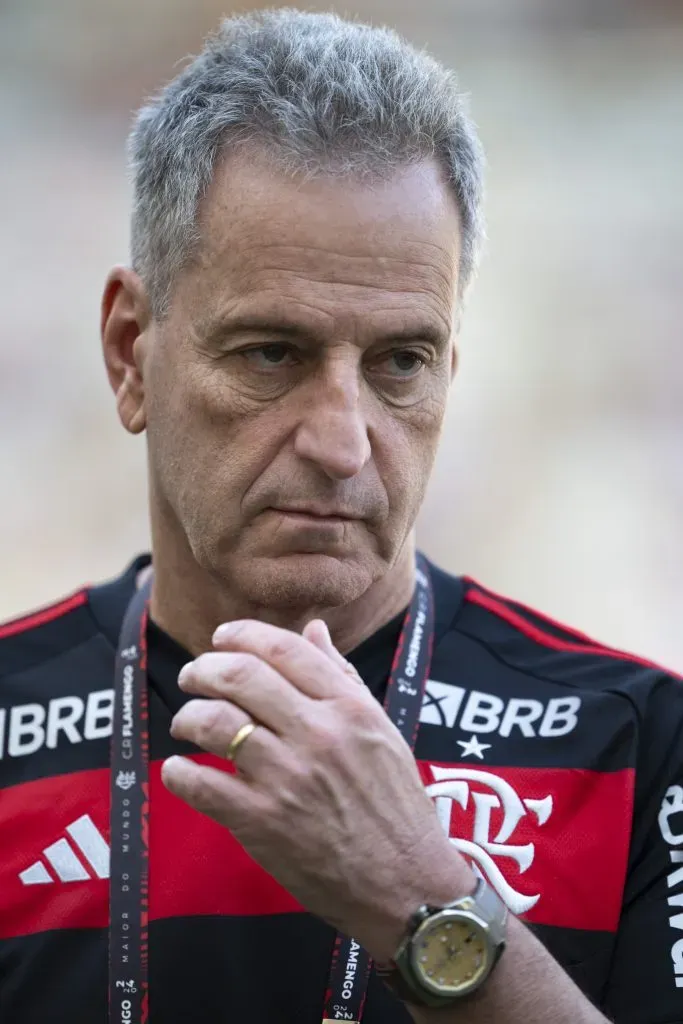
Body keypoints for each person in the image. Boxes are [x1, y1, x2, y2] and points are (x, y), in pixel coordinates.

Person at [0, 9, 681, 1024]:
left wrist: (424, 906)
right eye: (269, 353)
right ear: (129, 351)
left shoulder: (631, 746)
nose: (343, 440)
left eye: (397, 363)